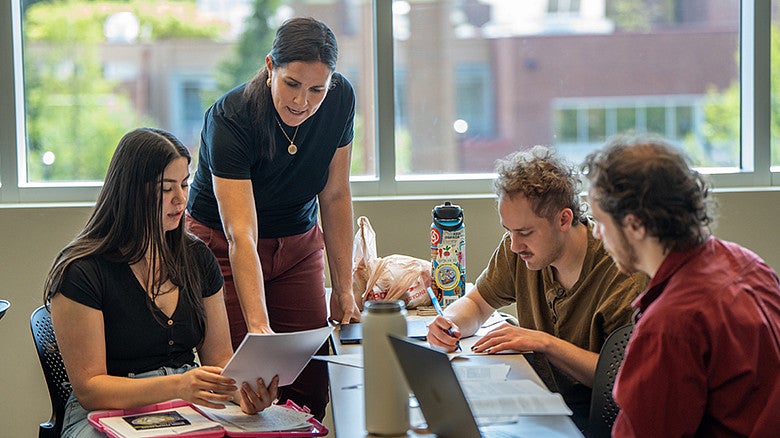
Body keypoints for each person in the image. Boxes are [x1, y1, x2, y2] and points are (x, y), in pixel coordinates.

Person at [43, 128, 279, 438]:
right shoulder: (81, 271)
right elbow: (91, 389)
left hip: (187, 407)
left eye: (184, 184)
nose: (181, 199)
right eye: (167, 188)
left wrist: (244, 393)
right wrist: (179, 385)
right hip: (103, 415)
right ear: (130, 190)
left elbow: (219, 359)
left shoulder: (197, 257)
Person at [185, 17, 361, 419]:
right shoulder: (230, 119)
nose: (302, 101)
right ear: (270, 68)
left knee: (311, 385)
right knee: (242, 384)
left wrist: (343, 287)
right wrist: (259, 330)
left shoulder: (340, 100)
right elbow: (240, 235)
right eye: (292, 84)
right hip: (222, 247)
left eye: (317, 88)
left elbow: (334, 195)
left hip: (298, 245)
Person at [426, 145, 648, 429]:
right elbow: (478, 302)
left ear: (564, 219)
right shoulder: (520, 250)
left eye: (525, 233)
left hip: (591, 418)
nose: (515, 245)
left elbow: (621, 378)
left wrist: (544, 343)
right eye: (508, 231)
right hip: (540, 401)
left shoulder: (621, 273)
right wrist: (449, 323)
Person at [583, 135, 780, 437]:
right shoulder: (751, 264)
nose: (597, 234)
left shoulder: (671, 323)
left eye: (600, 221)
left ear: (635, 225)